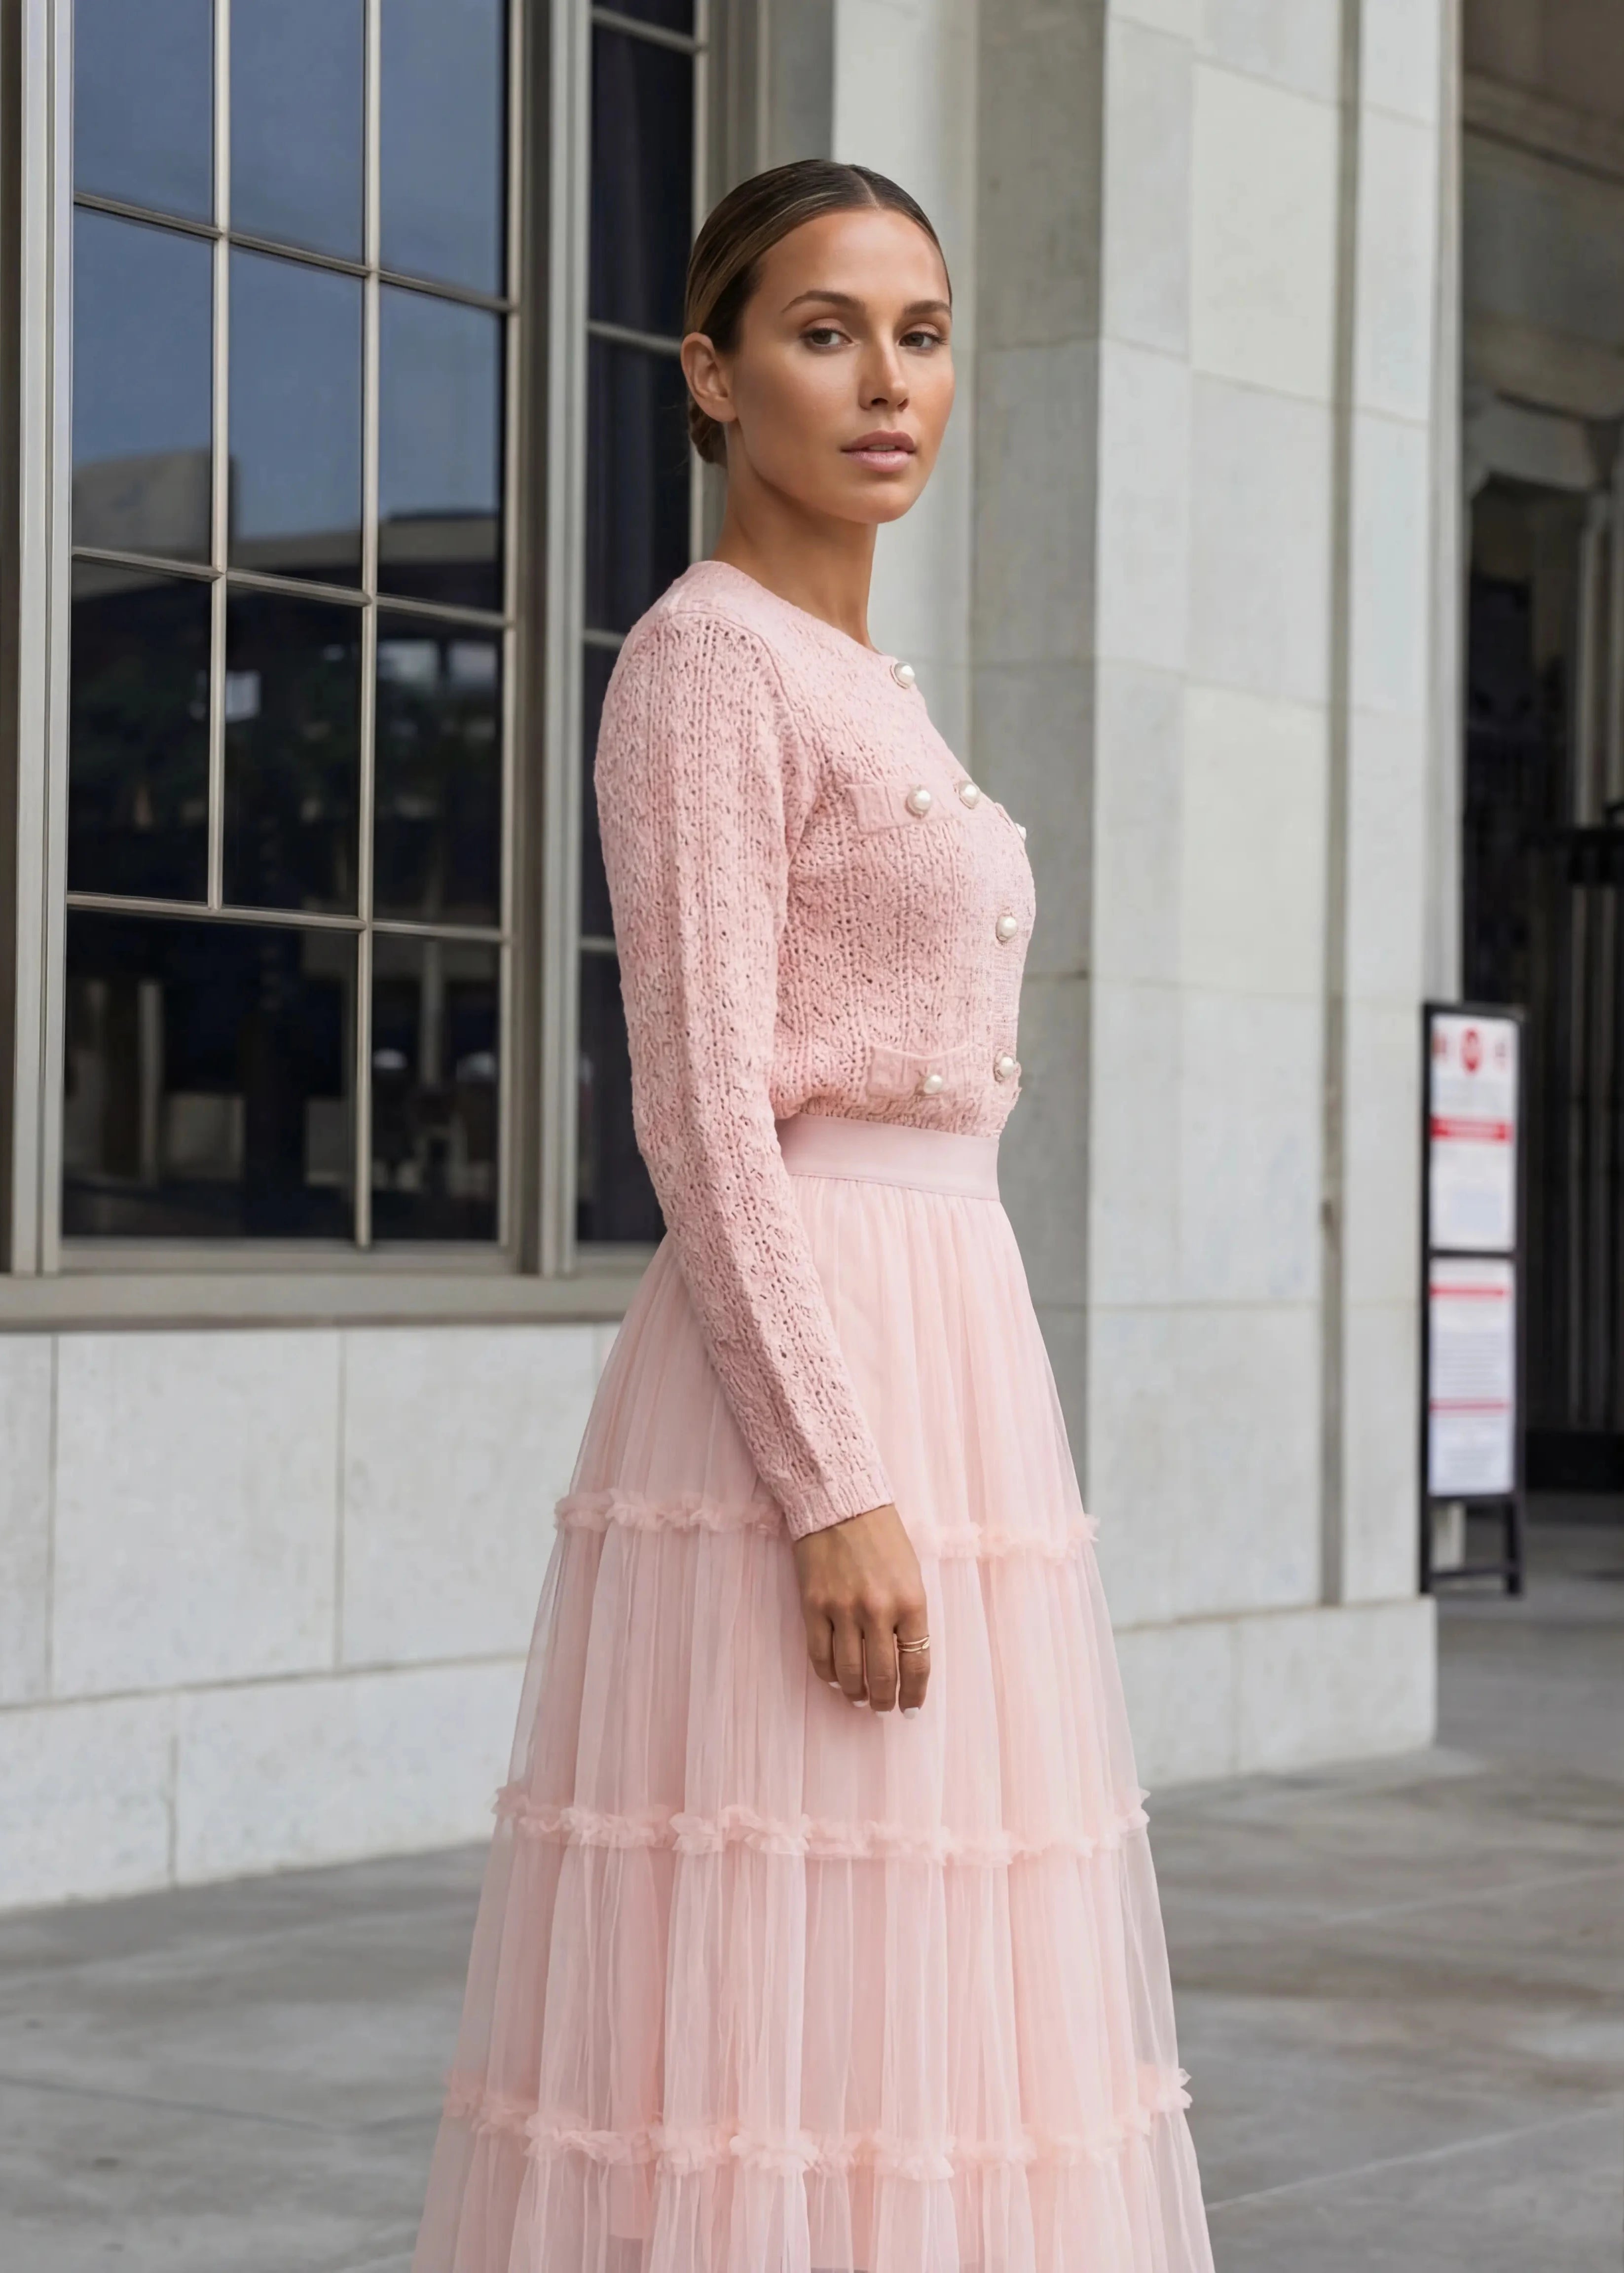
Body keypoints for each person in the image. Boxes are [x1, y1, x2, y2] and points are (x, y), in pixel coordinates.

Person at [411, 158, 1214, 2273]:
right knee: (785, 1943)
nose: (885, 384)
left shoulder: (870, 679)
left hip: (953, 1330)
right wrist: (834, 1480)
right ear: (711, 373)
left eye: (920, 337)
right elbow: (697, 1110)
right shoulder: (707, 666)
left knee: (937, 1964)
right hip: (810, 1364)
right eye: (824, 332)